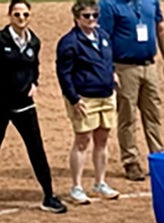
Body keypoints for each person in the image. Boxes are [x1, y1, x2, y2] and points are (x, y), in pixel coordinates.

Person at [0, 1, 66, 214]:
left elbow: (34, 66)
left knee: (36, 149)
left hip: (24, 106)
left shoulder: (34, 41)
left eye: (25, 14)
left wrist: (34, 83)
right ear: (10, 16)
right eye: (17, 14)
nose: (21, 18)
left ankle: (48, 195)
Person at [98, 0, 164, 182]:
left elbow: (161, 28)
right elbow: (104, 38)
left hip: (149, 66)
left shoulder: (150, 2)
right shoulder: (109, 5)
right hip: (124, 67)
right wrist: (109, 69)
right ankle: (130, 161)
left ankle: (158, 156)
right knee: (127, 116)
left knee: (153, 114)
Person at [56, 0, 119, 205]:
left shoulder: (103, 36)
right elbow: (64, 74)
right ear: (76, 18)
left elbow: (107, 61)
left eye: (94, 15)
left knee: (102, 139)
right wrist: (74, 99)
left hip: (106, 95)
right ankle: (76, 186)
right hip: (84, 98)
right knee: (82, 140)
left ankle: (100, 183)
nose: (91, 19)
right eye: (86, 16)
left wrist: (112, 75)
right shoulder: (69, 42)